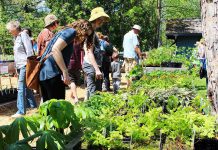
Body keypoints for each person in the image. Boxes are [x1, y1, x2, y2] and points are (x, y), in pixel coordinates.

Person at [39, 19, 93, 102]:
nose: (85, 38)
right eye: (86, 34)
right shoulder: (71, 32)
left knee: (49, 108)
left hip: (45, 73)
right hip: (52, 73)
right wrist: (65, 72)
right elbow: (55, 49)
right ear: (82, 29)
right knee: (58, 108)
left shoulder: (65, 31)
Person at [6, 20, 37, 118]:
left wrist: (30, 65)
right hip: (19, 66)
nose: (8, 31)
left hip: (25, 64)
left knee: (20, 88)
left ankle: (21, 111)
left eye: (9, 29)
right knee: (27, 88)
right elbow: (17, 55)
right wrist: (16, 67)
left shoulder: (23, 35)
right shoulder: (15, 38)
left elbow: (29, 51)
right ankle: (33, 107)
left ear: (15, 27)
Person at [83, 7, 110, 99]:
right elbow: (89, 52)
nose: (102, 21)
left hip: (95, 66)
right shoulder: (90, 32)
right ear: (96, 18)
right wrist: (97, 69)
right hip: (90, 66)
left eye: (103, 19)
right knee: (93, 93)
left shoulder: (93, 32)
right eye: (101, 19)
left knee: (97, 93)